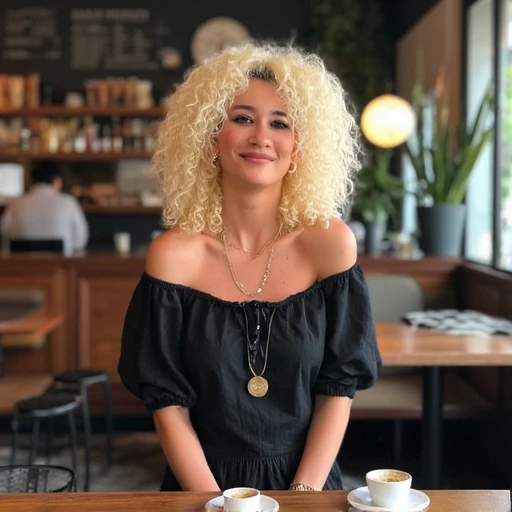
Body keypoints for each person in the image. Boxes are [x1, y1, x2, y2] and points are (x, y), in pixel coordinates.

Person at [118, 42, 381, 493]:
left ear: (299, 147)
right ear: (210, 136)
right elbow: (168, 404)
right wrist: (218, 503)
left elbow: (338, 388)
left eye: (280, 123)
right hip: (201, 489)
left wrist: (303, 496)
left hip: (310, 487)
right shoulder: (173, 257)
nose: (262, 136)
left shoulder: (331, 245)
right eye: (242, 118)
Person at [1, 160, 89, 255]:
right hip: (58, 268)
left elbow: (5, 238)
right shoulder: (68, 202)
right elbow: (80, 241)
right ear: (57, 181)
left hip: (21, 268)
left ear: (31, 180)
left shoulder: (15, 204)